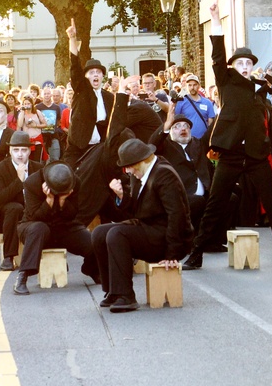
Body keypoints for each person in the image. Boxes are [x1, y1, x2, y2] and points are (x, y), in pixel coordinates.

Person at [183, 2, 272, 270]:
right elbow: (217, 56)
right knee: (215, 204)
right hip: (229, 153)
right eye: (239, 62)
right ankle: (196, 252)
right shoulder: (226, 81)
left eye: (247, 63)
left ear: (252, 66)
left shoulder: (259, 89)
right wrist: (216, 19)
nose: (243, 66)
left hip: (255, 154)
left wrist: (269, 150)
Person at [92, 138, 192, 312]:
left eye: (129, 167)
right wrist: (121, 196)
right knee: (99, 233)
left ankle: (126, 296)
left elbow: (177, 216)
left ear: (140, 161)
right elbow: (136, 212)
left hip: (166, 238)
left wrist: (172, 253)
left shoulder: (164, 174)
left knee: (117, 234)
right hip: (149, 230)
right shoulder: (142, 175)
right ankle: (113, 291)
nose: (128, 171)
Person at [13, 161, 98, 295]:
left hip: (63, 225)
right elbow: (35, 216)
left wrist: (63, 201)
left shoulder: (74, 181)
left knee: (93, 241)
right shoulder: (32, 182)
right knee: (39, 229)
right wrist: (49, 200)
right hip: (34, 225)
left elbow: (73, 214)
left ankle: (91, 269)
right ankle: (23, 276)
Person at [150, 109, 213, 238]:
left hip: (205, 192)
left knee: (230, 198)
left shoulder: (198, 144)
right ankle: (192, 240)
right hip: (180, 197)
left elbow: (213, 130)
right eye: (177, 126)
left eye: (186, 126)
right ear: (170, 131)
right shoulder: (165, 146)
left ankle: (212, 241)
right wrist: (165, 127)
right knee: (198, 202)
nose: (183, 129)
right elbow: (152, 145)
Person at [0, 132, 42, 271]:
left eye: (24, 150)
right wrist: (19, 180)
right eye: (16, 150)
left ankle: (50, 250)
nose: (20, 154)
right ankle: (9, 257)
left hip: (31, 211)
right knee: (14, 208)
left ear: (29, 151)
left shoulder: (38, 168)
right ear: (10, 151)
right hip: (6, 215)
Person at [65, 19, 114, 167]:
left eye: (98, 72)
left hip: (100, 146)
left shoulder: (109, 97)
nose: (95, 75)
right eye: (92, 72)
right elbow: (74, 66)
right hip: (78, 146)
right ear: (86, 77)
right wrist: (72, 39)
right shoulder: (82, 90)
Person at [173, 73, 217, 139]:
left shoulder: (207, 102)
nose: (192, 87)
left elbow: (210, 124)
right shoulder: (181, 102)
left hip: (203, 140)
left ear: (198, 86)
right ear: (186, 86)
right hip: (186, 139)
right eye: (190, 85)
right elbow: (176, 120)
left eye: (194, 85)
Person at [16, 94, 47, 162]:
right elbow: (20, 125)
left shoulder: (37, 112)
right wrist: (22, 112)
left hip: (37, 140)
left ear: (32, 104)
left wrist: (35, 125)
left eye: (28, 103)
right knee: (27, 161)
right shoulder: (22, 114)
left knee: (37, 160)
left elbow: (45, 124)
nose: (27, 105)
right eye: (25, 104)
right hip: (27, 140)